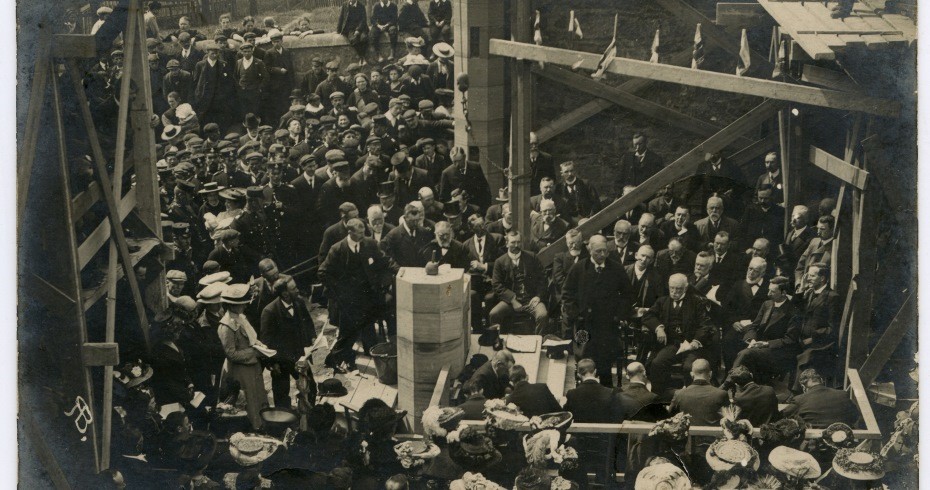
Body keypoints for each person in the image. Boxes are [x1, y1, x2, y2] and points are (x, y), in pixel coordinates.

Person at [319, 218, 396, 371]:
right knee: (348, 332)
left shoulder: (370, 244)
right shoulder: (337, 249)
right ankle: (337, 359)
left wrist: (397, 272)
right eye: (359, 233)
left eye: (363, 232)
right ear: (350, 232)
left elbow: (384, 261)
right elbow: (322, 272)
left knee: (366, 325)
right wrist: (339, 290)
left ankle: (371, 350)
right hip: (347, 300)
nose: (362, 235)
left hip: (368, 296)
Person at [562, 235, 634, 386]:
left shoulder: (615, 268)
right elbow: (567, 294)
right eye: (598, 251)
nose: (602, 255)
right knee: (583, 357)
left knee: (605, 360)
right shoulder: (579, 268)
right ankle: (583, 387)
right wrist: (576, 315)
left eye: (605, 251)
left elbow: (628, 294)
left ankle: (606, 389)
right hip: (583, 325)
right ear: (589, 250)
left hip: (607, 325)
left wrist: (619, 315)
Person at [642, 274, 715, 397]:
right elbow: (648, 316)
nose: (675, 292)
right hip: (672, 345)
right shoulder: (662, 301)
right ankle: (659, 397)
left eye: (678, 289)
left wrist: (696, 341)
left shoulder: (696, 302)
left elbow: (705, 325)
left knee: (689, 368)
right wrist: (658, 328)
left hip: (692, 346)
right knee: (657, 364)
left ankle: (690, 398)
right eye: (672, 288)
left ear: (686, 288)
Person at [217, 283, 270, 430]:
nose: (245, 306)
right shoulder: (226, 325)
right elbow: (231, 353)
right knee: (246, 399)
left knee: (256, 396)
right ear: (232, 305)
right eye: (241, 304)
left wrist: (260, 345)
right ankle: (250, 427)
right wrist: (254, 352)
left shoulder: (241, 317)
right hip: (240, 370)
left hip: (252, 366)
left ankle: (259, 425)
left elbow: (251, 337)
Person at [260, 275, 316, 409]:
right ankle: (284, 421)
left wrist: (313, 338)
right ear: (285, 294)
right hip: (281, 361)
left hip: (299, 355)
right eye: (294, 288)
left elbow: (308, 323)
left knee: (311, 388)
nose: (297, 290)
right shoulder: (269, 311)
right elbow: (266, 342)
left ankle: (309, 416)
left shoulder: (299, 302)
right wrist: (272, 363)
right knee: (281, 394)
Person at [732, 276, 800, 380]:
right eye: (769, 290)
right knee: (735, 345)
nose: (768, 294)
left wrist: (766, 344)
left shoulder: (793, 311)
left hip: (777, 350)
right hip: (759, 344)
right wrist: (752, 339)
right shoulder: (767, 304)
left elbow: (790, 339)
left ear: (783, 293)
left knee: (745, 354)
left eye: (772, 291)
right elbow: (754, 326)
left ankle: (729, 383)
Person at [490, 231, 549, 335]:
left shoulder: (532, 257)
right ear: (507, 243)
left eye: (518, 242)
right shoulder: (500, 261)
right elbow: (497, 285)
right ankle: (497, 341)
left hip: (531, 300)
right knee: (494, 314)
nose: (516, 245)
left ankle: (537, 341)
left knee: (542, 315)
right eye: (513, 242)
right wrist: (512, 300)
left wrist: (538, 297)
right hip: (510, 302)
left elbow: (543, 279)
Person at [721, 257, 770, 369]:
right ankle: (730, 373)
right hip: (739, 326)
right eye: (750, 268)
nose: (751, 273)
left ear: (762, 273)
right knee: (728, 341)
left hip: (758, 327)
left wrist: (756, 326)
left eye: (755, 271)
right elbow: (727, 308)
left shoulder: (768, 288)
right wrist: (733, 322)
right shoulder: (738, 285)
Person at [781, 369, 857, 426]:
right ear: (821, 380)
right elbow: (855, 416)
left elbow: (782, 416)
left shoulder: (799, 400)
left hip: (813, 443)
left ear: (803, 387)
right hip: (842, 439)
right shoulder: (843, 394)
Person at [669, 359, 729, 426]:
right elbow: (729, 419)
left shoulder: (679, 393)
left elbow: (670, 415)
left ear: (691, 374)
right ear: (710, 374)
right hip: (713, 435)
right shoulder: (721, 394)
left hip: (688, 435)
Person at [794, 215, 835, 291]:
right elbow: (800, 266)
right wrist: (799, 284)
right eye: (817, 228)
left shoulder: (834, 248)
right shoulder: (814, 241)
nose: (818, 232)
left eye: (822, 229)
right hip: (803, 288)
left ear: (832, 230)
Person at [233, 43, 269, 119]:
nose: (247, 53)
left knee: (255, 111)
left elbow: (266, 77)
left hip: (254, 92)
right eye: (245, 51)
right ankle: (245, 127)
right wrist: (239, 87)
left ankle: (255, 127)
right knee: (244, 111)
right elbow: (235, 76)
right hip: (242, 92)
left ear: (252, 51)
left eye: (249, 51)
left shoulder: (258, 62)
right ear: (241, 52)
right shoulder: (239, 62)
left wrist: (259, 88)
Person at [337, 0, 370, 65]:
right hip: (350, 29)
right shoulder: (345, 5)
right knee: (354, 40)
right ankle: (362, 57)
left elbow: (363, 20)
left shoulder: (361, 6)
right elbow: (341, 17)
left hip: (362, 27)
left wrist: (358, 30)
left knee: (364, 38)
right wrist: (338, 30)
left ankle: (362, 57)